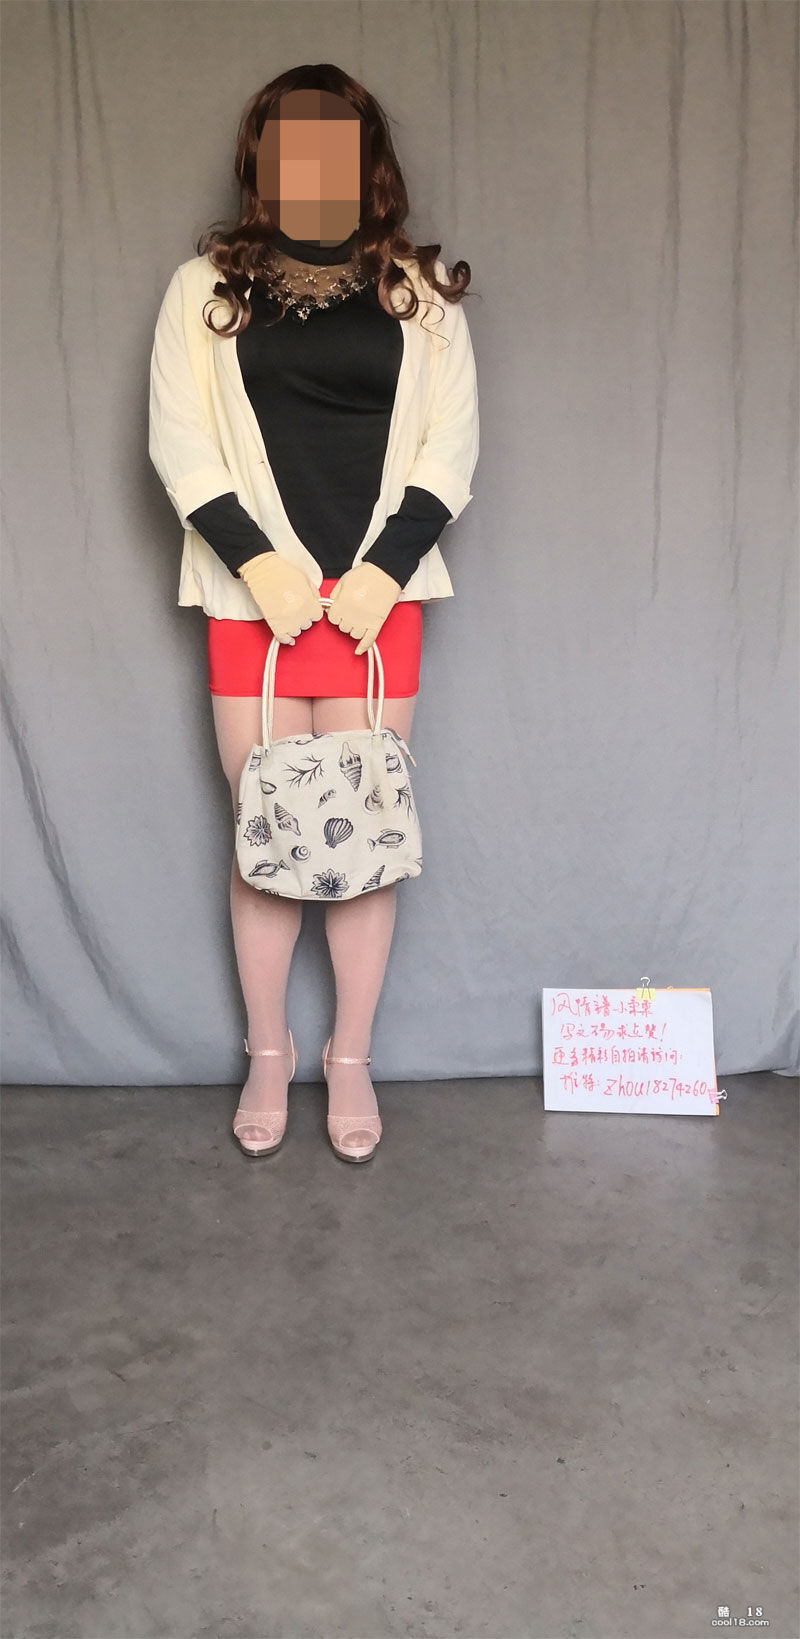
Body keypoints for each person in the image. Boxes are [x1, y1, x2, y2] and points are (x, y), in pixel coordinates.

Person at [148, 64, 479, 1162]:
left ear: (366, 160)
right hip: (253, 602)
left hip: (380, 606)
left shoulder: (419, 293)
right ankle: (267, 1051)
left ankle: (348, 1058)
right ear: (262, 159)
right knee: (266, 836)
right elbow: (178, 441)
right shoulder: (203, 288)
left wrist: (381, 571)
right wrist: (263, 569)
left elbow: (452, 446)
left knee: (364, 839)